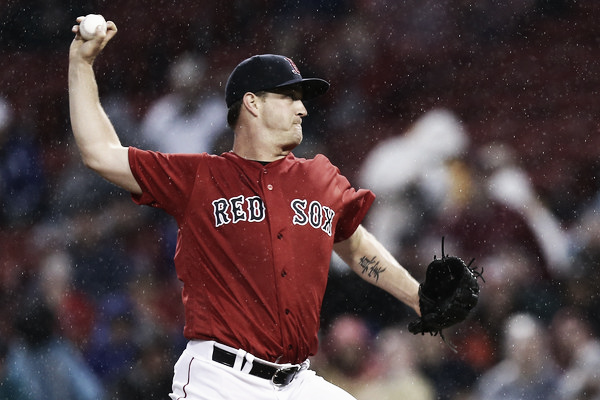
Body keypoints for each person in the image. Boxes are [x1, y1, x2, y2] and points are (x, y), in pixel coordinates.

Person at [68, 16, 421, 400]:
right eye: (289, 97)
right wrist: (82, 65)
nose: (302, 109)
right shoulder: (200, 177)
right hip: (220, 378)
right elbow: (100, 153)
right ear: (251, 103)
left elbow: (353, 244)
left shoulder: (320, 177)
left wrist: (419, 297)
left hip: (297, 381)